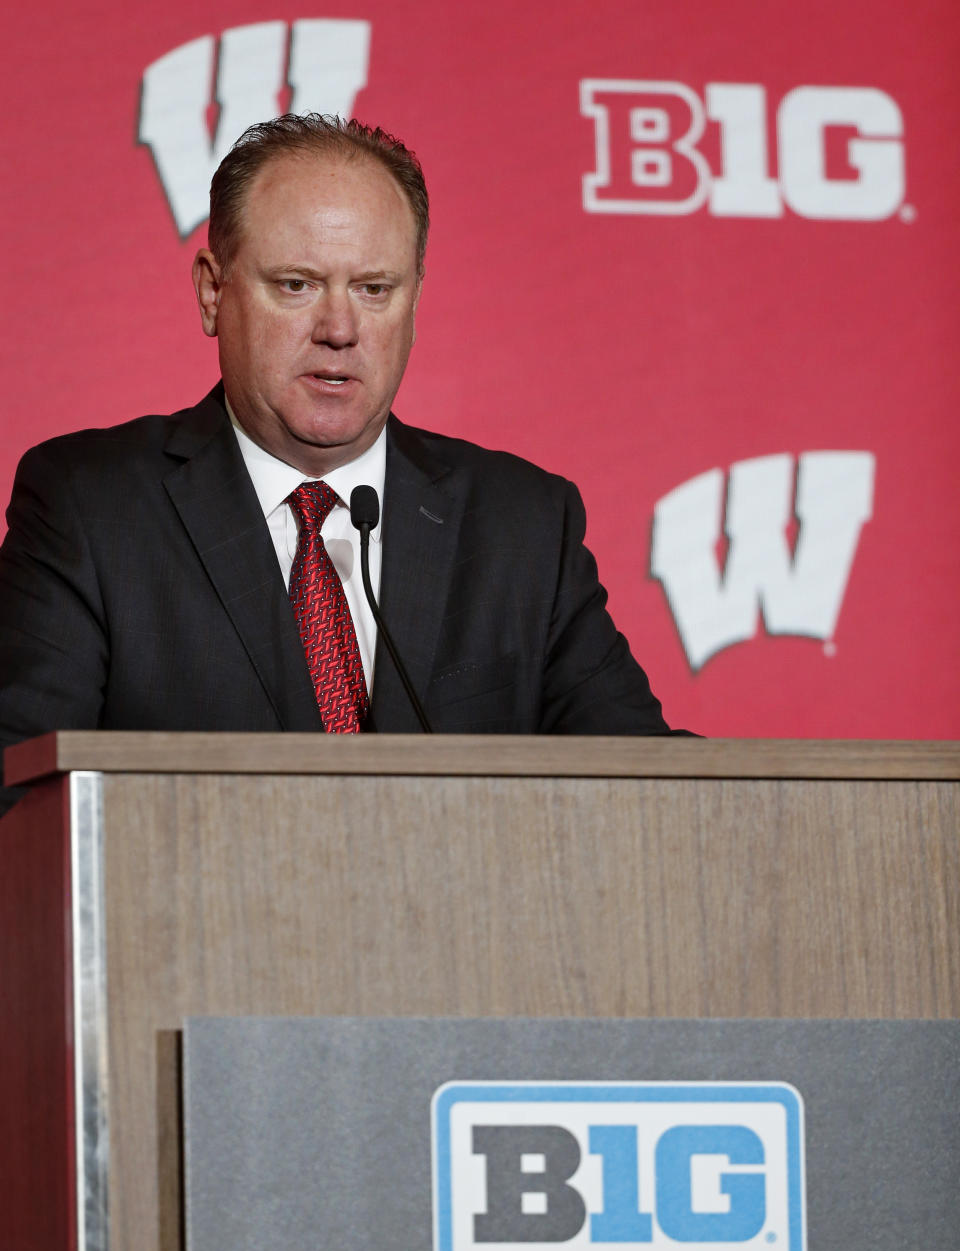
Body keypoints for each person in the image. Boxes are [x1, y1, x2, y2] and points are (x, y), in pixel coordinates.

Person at [0, 114, 687, 816]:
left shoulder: (522, 525)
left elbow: (653, 789)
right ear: (213, 289)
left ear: (415, 297)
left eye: (374, 289)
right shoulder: (92, 509)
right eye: (297, 284)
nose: (339, 329)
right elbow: (20, 803)